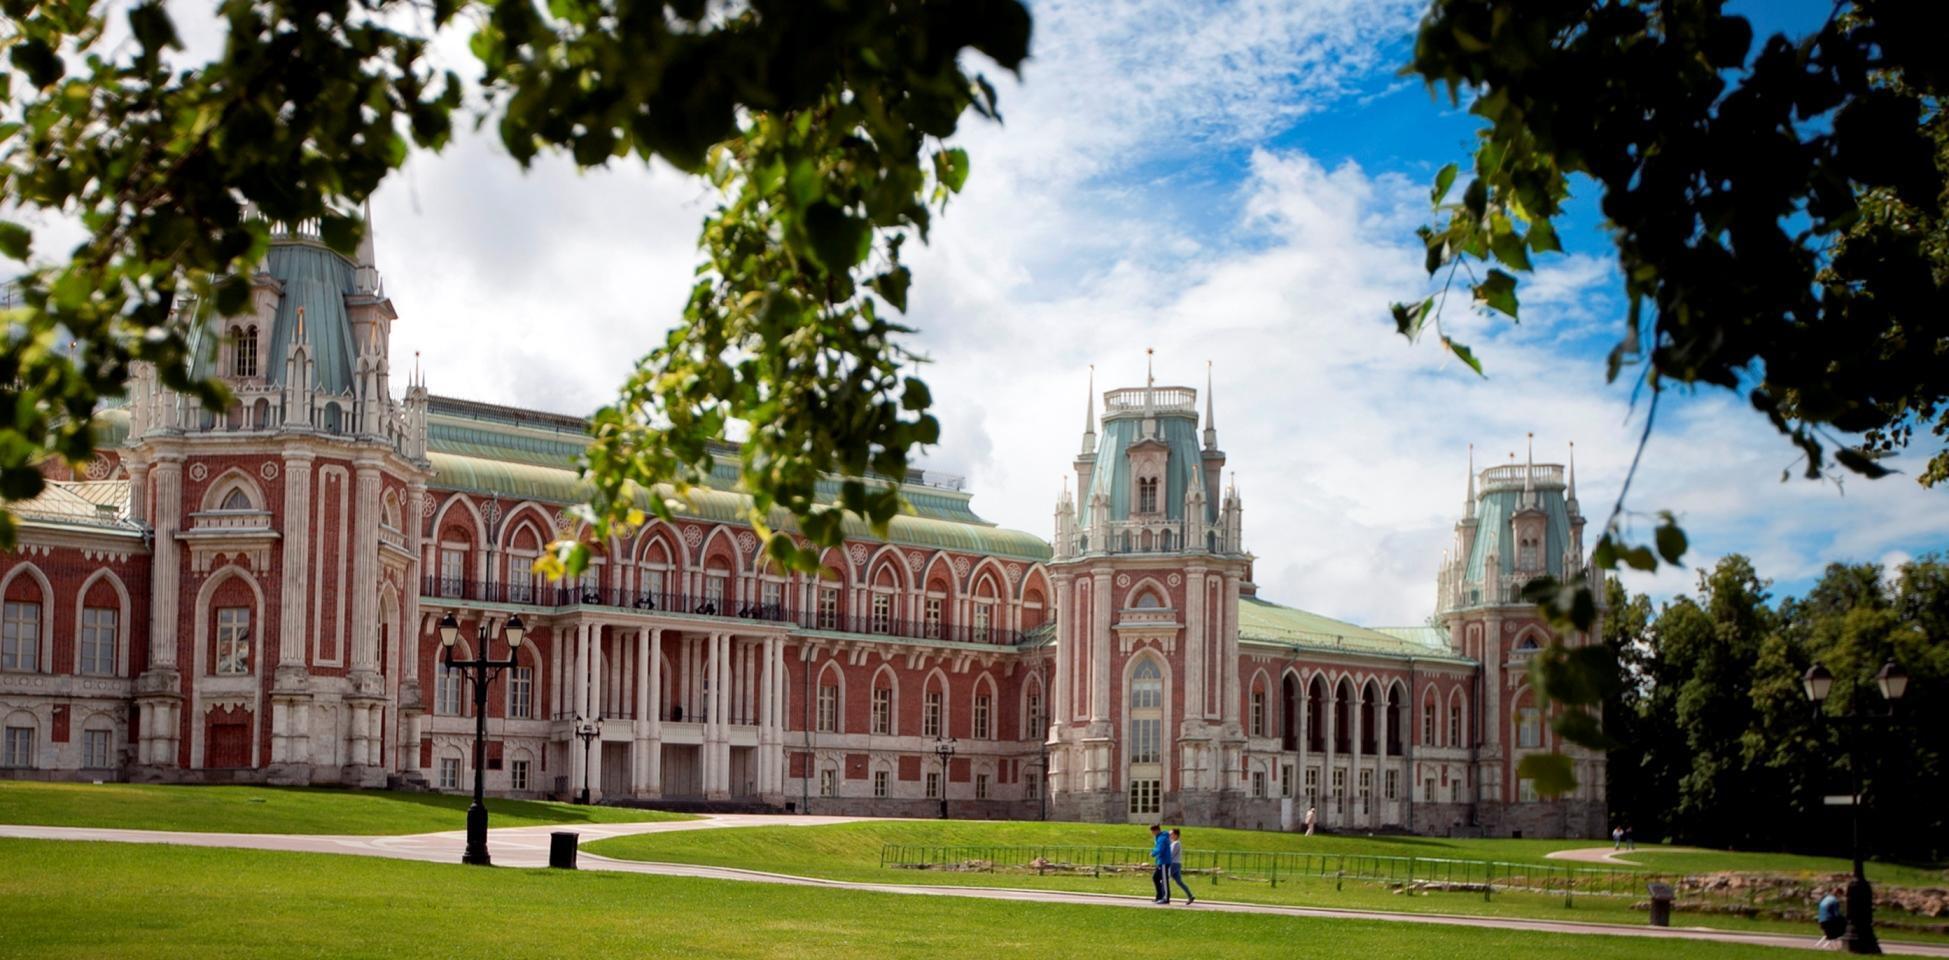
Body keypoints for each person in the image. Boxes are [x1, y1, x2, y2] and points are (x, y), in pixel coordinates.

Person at [1168, 828, 1196, 905]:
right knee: (1179, 882)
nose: (1170, 835)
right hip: (1176, 864)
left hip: (1173, 864)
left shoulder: (1176, 843)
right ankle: (1190, 896)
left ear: (1176, 835)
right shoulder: (1174, 843)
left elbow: (1171, 854)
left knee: (1164, 881)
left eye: (1171, 834)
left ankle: (1164, 896)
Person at [1149, 824, 1172, 904]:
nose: (1152, 833)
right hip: (1160, 861)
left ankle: (1166, 898)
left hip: (1164, 862)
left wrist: (1153, 853)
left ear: (1156, 830)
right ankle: (1159, 896)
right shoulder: (1159, 837)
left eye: (1153, 832)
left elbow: (1160, 849)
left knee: (1164, 880)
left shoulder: (1162, 838)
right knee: (1155, 878)